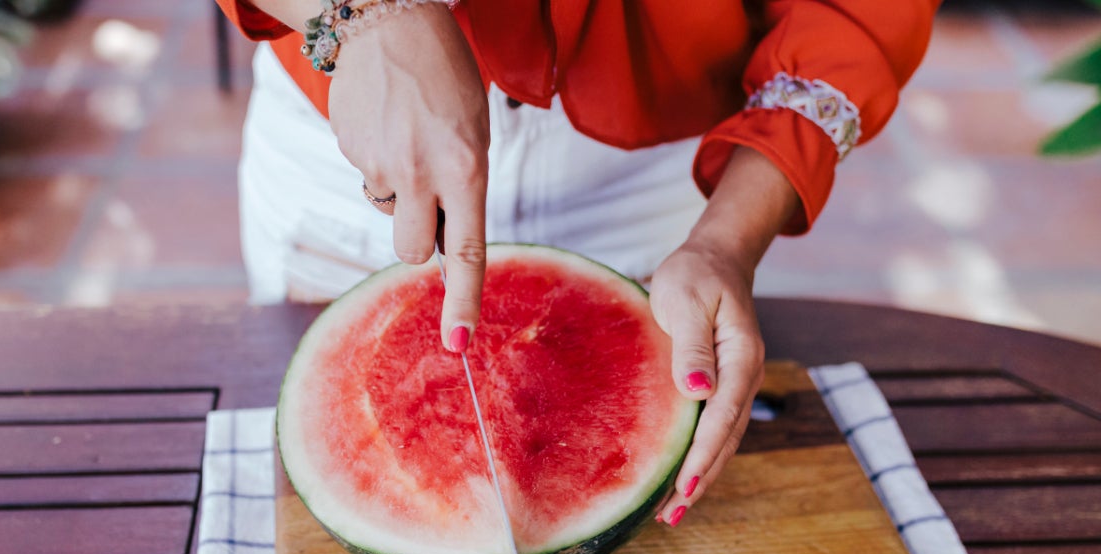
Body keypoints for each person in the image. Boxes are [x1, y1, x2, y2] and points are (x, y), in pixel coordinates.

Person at [216, 0, 938, 525]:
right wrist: (359, 13)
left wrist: (725, 241)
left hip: (654, 160)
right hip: (359, 114)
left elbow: (856, 14)